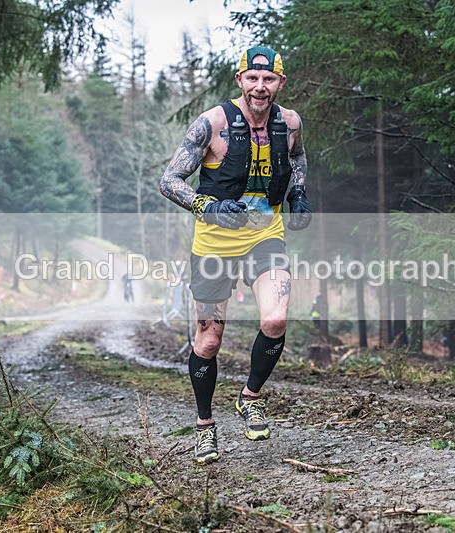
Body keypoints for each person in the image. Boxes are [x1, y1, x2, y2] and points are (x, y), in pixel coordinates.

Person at [159, 46, 312, 464]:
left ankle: (250, 397)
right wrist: (206, 206)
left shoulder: (291, 122)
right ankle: (205, 427)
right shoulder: (212, 124)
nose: (260, 87)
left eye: (269, 80)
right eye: (252, 78)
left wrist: (298, 193)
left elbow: (297, 158)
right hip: (214, 245)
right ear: (240, 80)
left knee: (276, 318)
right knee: (209, 340)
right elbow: (169, 180)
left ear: (280, 83)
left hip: (265, 236)